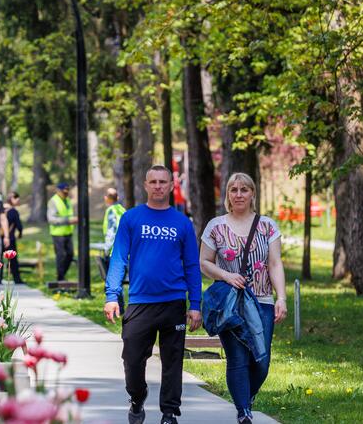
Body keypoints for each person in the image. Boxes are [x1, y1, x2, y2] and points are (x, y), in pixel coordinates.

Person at [104, 165, 202, 424]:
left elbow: (192, 264)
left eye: (163, 182)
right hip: (140, 302)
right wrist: (111, 295)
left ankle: (169, 413)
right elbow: (118, 259)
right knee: (132, 360)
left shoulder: (182, 223)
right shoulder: (131, 219)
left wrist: (195, 303)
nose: (158, 186)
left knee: (173, 361)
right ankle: (137, 398)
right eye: (153, 182)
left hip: (173, 302)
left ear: (171, 186)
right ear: (145, 185)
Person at [199, 172, 287, 424]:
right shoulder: (216, 226)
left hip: (261, 302)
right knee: (237, 357)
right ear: (227, 194)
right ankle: (243, 412)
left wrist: (281, 297)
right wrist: (227, 276)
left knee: (262, 361)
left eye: (244, 190)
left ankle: (246, 398)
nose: (238, 194)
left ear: (252, 194)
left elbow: (275, 263)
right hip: (231, 303)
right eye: (233, 190)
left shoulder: (267, 226)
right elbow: (204, 262)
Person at [47, 182, 77, 281]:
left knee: (70, 254)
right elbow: (51, 219)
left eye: (67, 192)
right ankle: (60, 278)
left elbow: (68, 214)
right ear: (58, 191)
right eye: (64, 192)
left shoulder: (67, 200)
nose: (66, 194)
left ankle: (61, 274)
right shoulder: (53, 201)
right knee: (61, 256)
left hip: (68, 232)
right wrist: (68, 221)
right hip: (58, 233)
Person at [5, 191, 24, 284]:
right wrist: (20, 233)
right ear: (12, 199)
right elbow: (18, 225)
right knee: (13, 259)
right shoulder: (13, 211)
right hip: (10, 238)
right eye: (17, 199)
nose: (18, 201)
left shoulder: (1, 209)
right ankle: (17, 279)